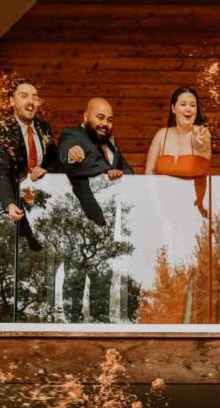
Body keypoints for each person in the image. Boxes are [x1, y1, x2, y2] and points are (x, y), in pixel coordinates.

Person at [57, 98, 135, 323]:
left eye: (110, 120)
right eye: (100, 117)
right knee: (75, 280)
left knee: (102, 281)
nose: (105, 124)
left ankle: (101, 326)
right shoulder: (72, 136)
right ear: (85, 117)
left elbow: (129, 174)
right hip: (80, 221)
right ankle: (71, 328)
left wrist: (118, 174)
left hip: (107, 223)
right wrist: (73, 155)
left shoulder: (111, 145)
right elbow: (68, 157)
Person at [0, 78, 60, 256]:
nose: (31, 101)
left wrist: (47, 171)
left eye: (34, 97)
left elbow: (55, 162)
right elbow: (1, 170)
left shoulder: (44, 128)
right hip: (14, 208)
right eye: (24, 96)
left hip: (42, 203)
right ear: (12, 101)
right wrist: (9, 203)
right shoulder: (1, 129)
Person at [146, 86, 211, 217]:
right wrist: (155, 205)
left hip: (193, 212)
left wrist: (199, 143)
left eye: (193, 105)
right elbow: (149, 173)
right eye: (183, 104)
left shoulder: (202, 133)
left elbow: (203, 149)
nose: (188, 109)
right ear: (173, 109)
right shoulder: (161, 135)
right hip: (161, 209)